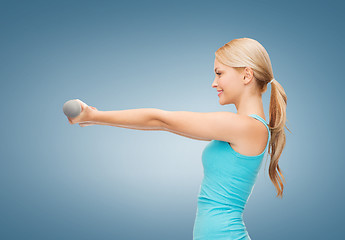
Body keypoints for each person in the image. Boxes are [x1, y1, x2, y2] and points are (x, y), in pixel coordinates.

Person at [66, 37, 289, 240]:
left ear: (246, 75)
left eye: (219, 73)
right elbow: (163, 123)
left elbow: (161, 120)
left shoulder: (247, 126)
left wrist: (94, 116)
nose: (214, 82)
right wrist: (94, 119)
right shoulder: (241, 126)